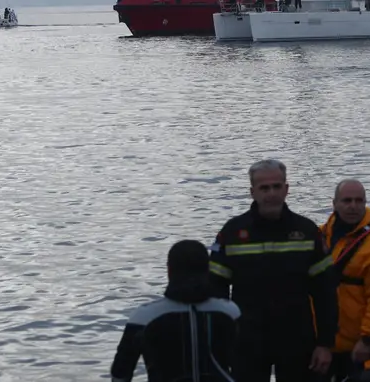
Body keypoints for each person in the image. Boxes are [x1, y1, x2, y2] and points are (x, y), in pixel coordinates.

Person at [209, 159, 337, 382]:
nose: (271, 193)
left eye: (277, 186)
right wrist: (221, 344)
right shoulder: (232, 233)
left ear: (287, 189)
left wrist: (325, 344)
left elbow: (325, 294)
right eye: (264, 188)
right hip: (247, 340)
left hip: (297, 339)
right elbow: (215, 294)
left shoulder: (307, 232)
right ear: (252, 192)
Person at [110, 240, 240, 382]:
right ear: (207, 270)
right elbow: (245, 362)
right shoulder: (230, 312)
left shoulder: (144, 317)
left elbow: (120, 374)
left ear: (169, 270)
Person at [321, 179, 370, 381]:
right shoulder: (321, 234)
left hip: (356, 343)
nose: (353, 206)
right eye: (347, 200)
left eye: (359, 201)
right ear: (334, 204)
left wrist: (366, 340)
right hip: (325, 340)